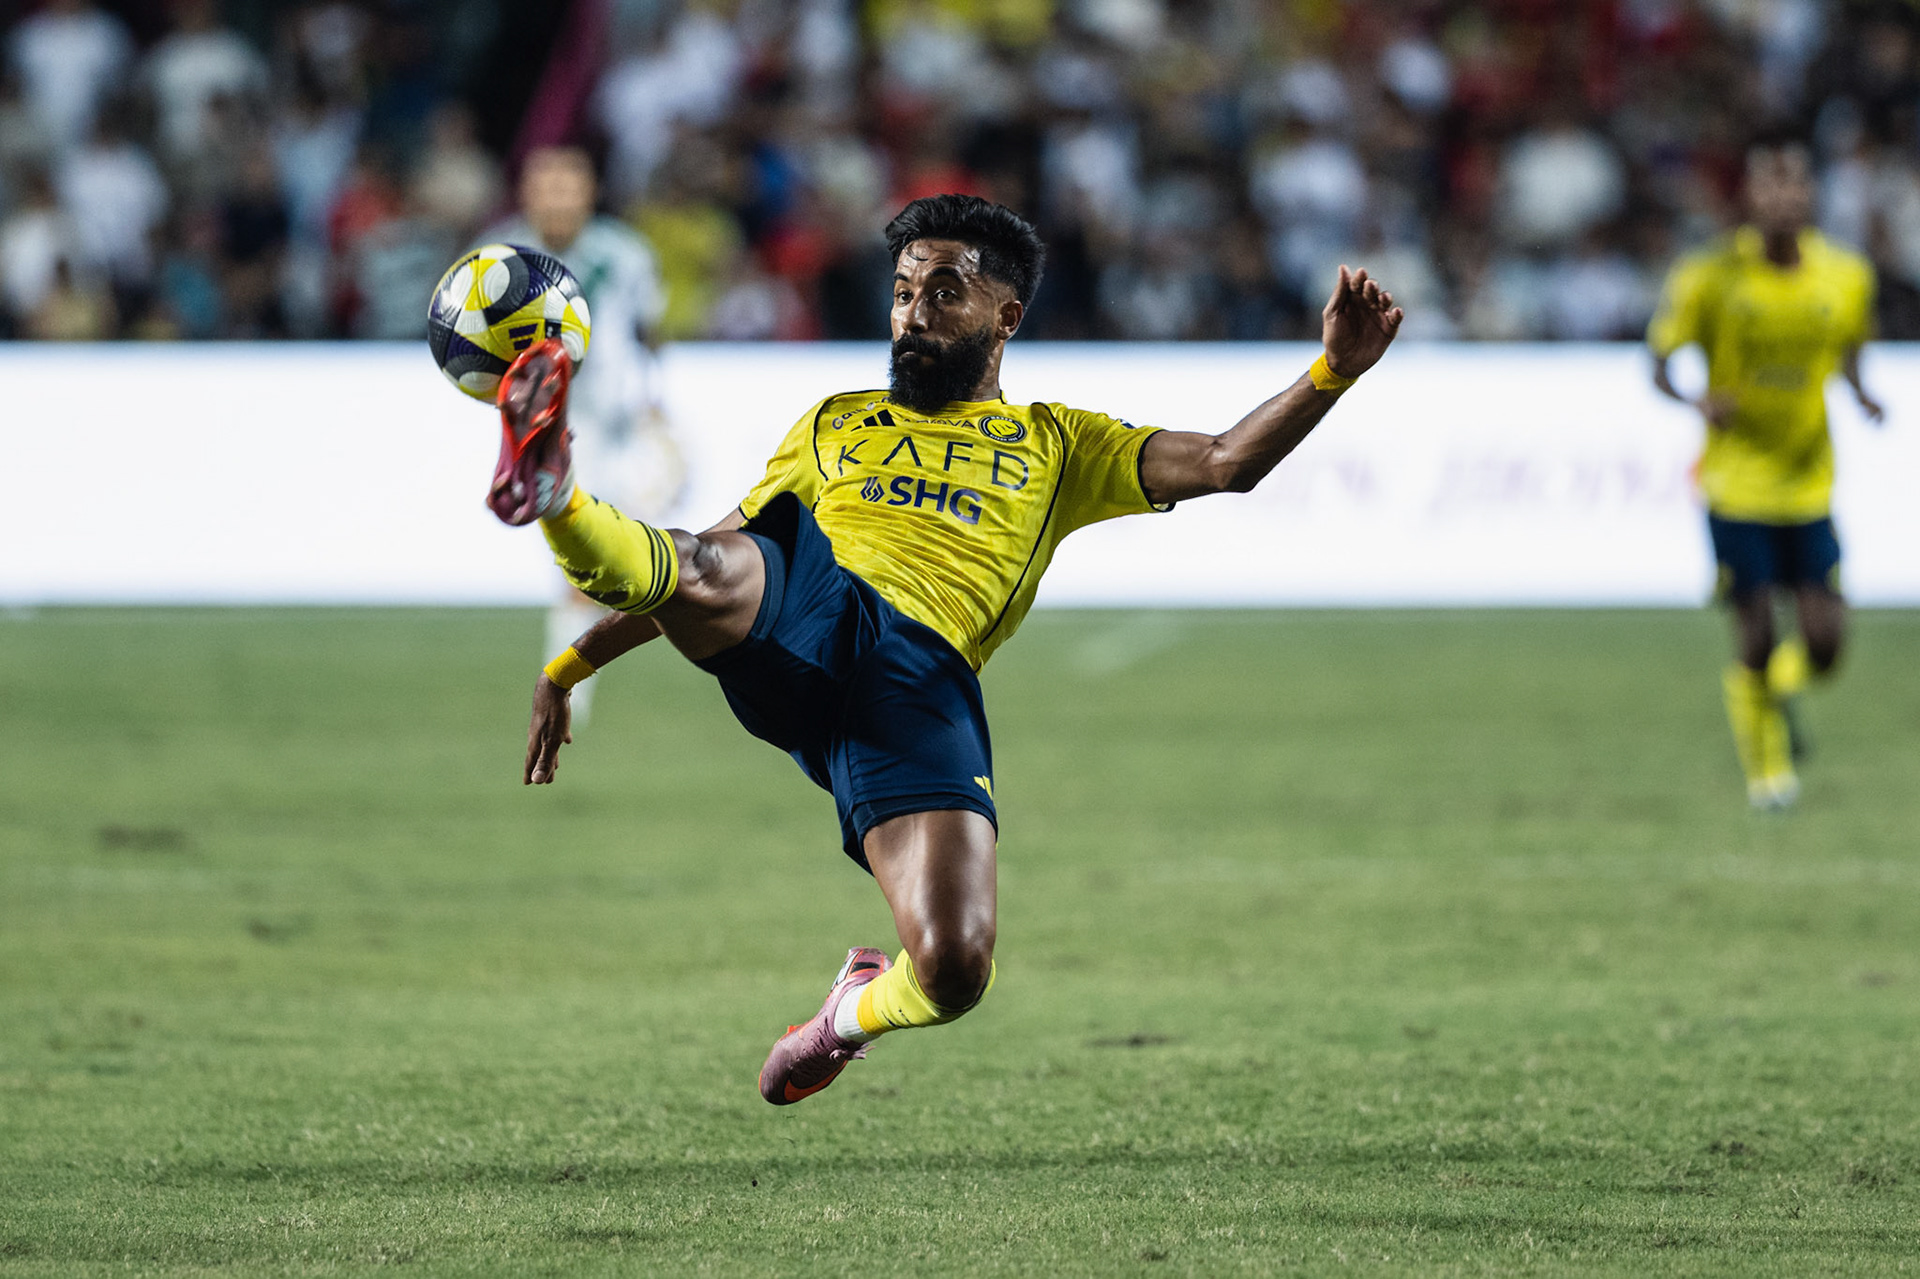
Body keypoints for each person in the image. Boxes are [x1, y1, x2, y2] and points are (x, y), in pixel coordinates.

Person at [486, 195, 1402, 1104]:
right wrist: (572, 663)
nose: (912, 314)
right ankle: (557, 487)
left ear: (1007, 315)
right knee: (704, 558)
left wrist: (1333, 371)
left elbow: (1225, 462)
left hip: (918, 683)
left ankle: (844, 1017)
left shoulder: (1058, 444)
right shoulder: (832, 422)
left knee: (956, 965)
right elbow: (698, 560)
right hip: (812, 608)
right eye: (901, 291)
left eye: (944, 292)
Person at [1649, 136, 1886, 811]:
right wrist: (1696, 399)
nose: (1785, 199)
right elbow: (1658, 363)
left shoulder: (1845, 276)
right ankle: (1769, 776)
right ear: (1748, 199)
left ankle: (1778, 694)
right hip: (1736, 483)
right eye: (1770, 187)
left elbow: (1852, 345)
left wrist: (1862, 391)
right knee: (1754, 630)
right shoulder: (1712, 278)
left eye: (1796, 186)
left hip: (1809, 479)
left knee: (1826, 642)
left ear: (1812, 196)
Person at [483, 145, 673, 723]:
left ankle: (570, 685)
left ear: (590, 193)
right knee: (582, 562)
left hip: (616, 428)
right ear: (527, 194)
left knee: (631, 568)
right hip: (552, 429)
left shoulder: (626, 254)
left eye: (571, 186)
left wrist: (656, 404)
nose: (560, 199)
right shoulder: (498, 260)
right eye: (548, 187)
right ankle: (569, 690)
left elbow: (649, 332)